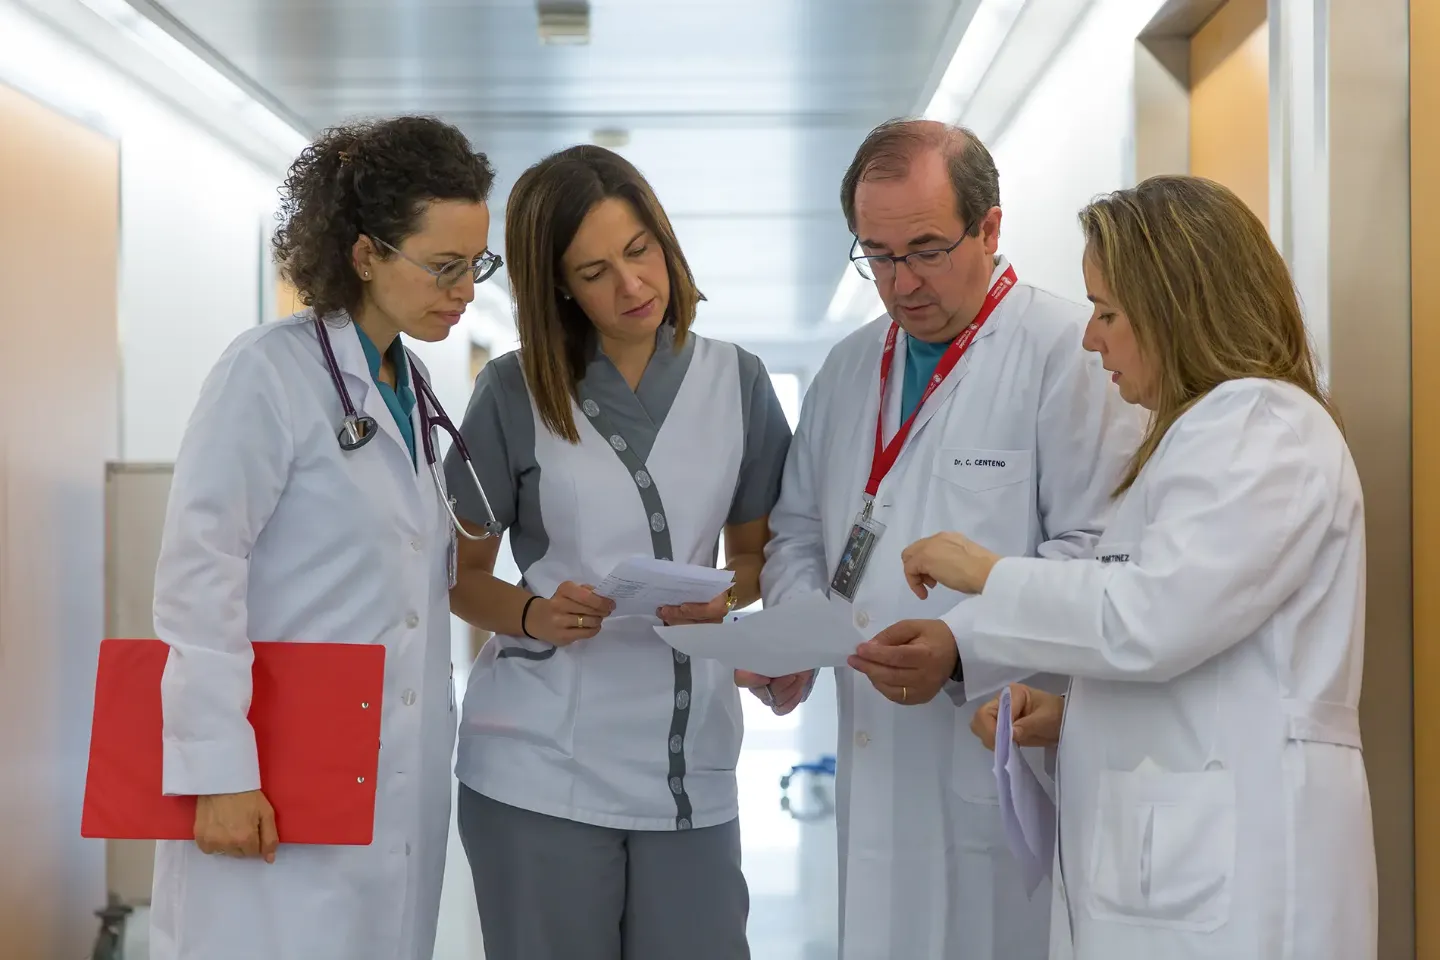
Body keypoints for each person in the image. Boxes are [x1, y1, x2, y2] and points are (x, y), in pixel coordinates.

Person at [895, 175, 1378, 959]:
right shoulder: (1193, 438)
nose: (1092, 340)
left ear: (1178, 308)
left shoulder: (1261, 426)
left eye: (1109, 313)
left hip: (1243, 871)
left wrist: (988, 572)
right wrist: (1074, 716)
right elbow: (1193, 643)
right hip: (1174, 863)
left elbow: (1151, 620)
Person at [751, 118, 1143, 959]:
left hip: (995, 750)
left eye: (926, 249)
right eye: (878, 254)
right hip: (872, 741)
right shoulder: (851, 367)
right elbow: (796, 531)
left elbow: (1097, 556)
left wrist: (960, 648)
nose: (901, 282)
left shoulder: (1068, 355)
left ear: (990, 227)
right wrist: (792, 627)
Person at [149, 116, 499, 960]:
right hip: (274, 778)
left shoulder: (410, 384)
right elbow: (200, 572)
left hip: (385, 781)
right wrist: (220, 772)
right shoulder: (266, 373)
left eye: (474, 266)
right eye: (444, 266)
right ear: (366, 253)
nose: (464, 291)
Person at [444, 144, 792, 960]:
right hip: (539, 763)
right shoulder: (512, 389)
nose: (631, 286)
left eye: (640, 252)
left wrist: (726, 597)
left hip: (691, 769)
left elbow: (756, 556)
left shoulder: (737, 382)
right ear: (558, 284)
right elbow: (459, 578)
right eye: (595, 270)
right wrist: (535, 611)